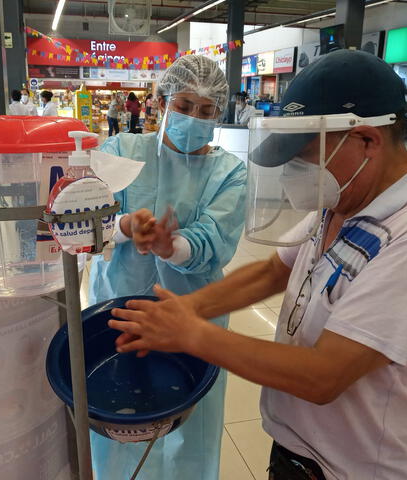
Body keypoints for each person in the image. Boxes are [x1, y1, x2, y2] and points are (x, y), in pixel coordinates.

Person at [108, 50, 407, 480]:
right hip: (299, 454)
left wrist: (190, 333)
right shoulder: (345, 199)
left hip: (355, 469)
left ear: (367, 141)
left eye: (305, 154)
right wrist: (185, 309)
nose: (297, 172)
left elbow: (324, 375)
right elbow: (272, 271)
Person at [88, 55, 247, 480]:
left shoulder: (229, 171)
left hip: (195, 315)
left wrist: (170, 245)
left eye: (206, 110)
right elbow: (86, 218)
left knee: (193, 426)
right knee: (120, 423)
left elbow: (216, 238)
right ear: (160, 103)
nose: (194, 117)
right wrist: (125, 225)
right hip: (118, 310)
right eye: (184, 105)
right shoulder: (121, 151)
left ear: (219, 115)